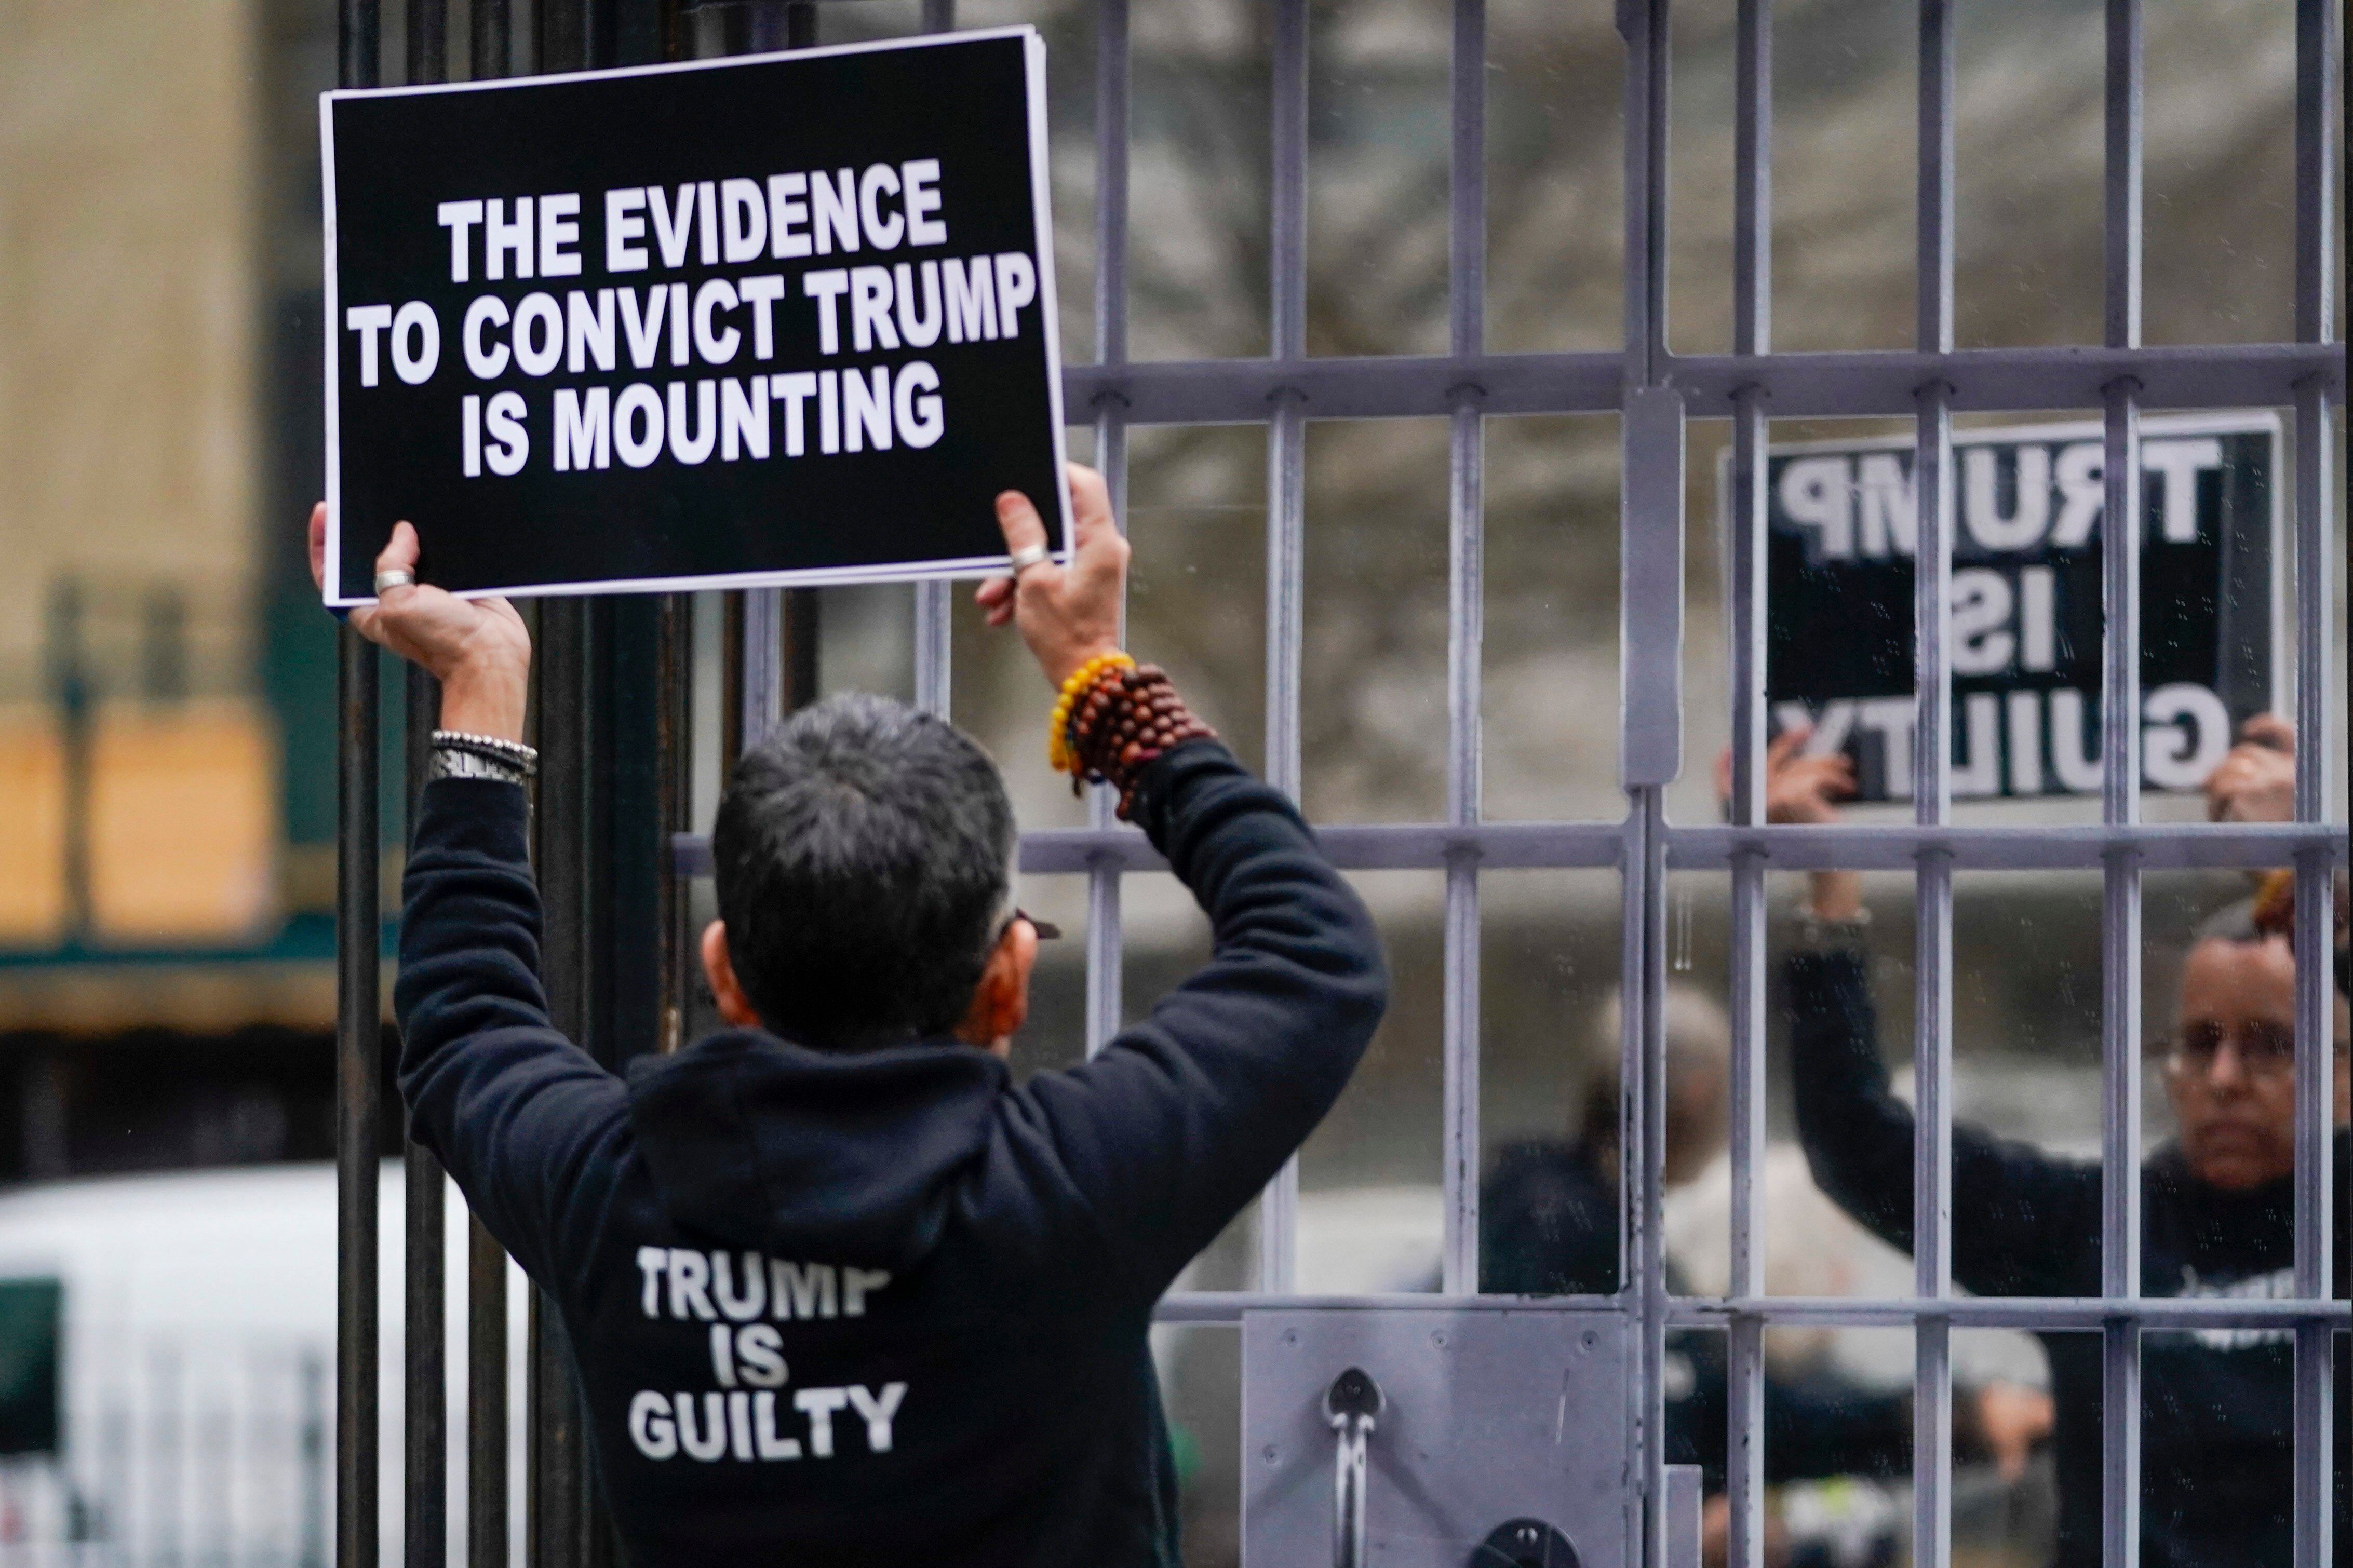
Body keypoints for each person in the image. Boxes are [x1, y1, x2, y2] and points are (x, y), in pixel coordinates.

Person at [311, 466, 1389, 1565]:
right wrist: (1100, 684)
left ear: (724, 974)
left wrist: (483, 686)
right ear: (1008, 981)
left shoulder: (611, 1194)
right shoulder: (1063, 1193)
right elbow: (1317, 955)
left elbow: (461, 1021)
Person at [1766, 721, 2351, 1568]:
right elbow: (1859, 1144)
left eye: (2270, 1043)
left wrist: (2315, 883)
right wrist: (1830, 893)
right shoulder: (2097, 1229)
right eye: (2198, 1042)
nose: (2223, 1077)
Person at [1481, 985, 2052, 1567]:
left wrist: (1950, 1417)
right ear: (1700, 1094)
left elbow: (1739, 1412)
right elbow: (1554, 1437)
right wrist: (1661, 1527)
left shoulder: (1583, 1227)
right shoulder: (1563, 1231)